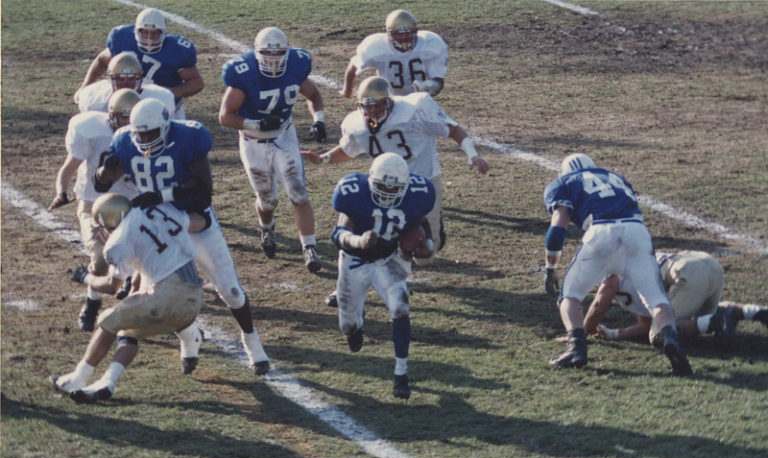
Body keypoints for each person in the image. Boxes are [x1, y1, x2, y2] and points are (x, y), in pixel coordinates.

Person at [94, 98, 271, 375]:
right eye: (141, 134)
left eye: (151, 133)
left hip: (193, 219)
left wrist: (162, 196)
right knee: (163, 293)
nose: (145, 140)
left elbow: (203, 193)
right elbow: (100, 184)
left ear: (165, 127)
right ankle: (189, 337)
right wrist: (106, 168)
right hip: (155, 226)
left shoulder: (189, 137)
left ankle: (251, 339)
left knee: (231, 290)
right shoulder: (125, 141)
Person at [303, 75, 488, 267]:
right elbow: (349, 149)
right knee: (381, 241)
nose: (372, 111)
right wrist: (324, 158)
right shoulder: (356, 124)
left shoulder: (416, 109)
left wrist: (472, 154)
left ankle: (431, 224)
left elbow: (453, 129)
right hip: (384, 185)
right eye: (367, 106)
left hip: (421, 184)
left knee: (424, 256)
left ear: (389, 101)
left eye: (377, 105)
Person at [543, 153, 692, 376]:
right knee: (656, 298)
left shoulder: (563, 182)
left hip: (601, 232)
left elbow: (557, 229)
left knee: (569, 296)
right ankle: (671, 340)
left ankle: (576, 348)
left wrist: (551, 268)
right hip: (636, 232)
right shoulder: (616, 178)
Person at [50, 193, 204, 403]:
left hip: (167, 296)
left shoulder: (117, 242)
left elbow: (111, 286)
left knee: (108, 319)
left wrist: (85, 277)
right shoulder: (154, 210)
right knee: (127, 328)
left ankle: (78, 378)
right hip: (194, 298)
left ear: (108, 222)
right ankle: (107, 382)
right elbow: (145, 260)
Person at [219, 26, 326, 273]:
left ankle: (309, 247)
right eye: (268, 53)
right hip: (252, 142)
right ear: (258, 53)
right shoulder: (244, 72)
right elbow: (225, 116)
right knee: (268, 200)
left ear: (287, 53)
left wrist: (318, 120)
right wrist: (255, 125)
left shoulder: (296, 66)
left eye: (278, 54)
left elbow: (313, 94)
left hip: (284, 137)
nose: (273, 59)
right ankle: (267, 228)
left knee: (298, 192)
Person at [330, 153, 436, 399]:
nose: (388, 193)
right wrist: (358, 241)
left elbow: (421, 221)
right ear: (371, 181)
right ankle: (356, 326)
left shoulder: (418, 193)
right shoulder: (353, 191)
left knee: (401, 308)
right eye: (382, 186)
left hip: (388, 259)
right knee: (347, 325)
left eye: (395, 188)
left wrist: (427, 246)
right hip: (354, 261)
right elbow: (338, 233)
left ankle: (401, 373)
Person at [48, 88, 142, 332]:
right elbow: (68, 168)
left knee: (145, 255)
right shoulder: (92, 130)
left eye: (132, 117)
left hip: (133, 205)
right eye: (123, 116)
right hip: (95, 204)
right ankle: (92, 303)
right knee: (101, 259)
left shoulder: (145, 133)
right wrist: (61, 192)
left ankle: (137, 295)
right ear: (111, 115)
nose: (128, 123)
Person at [579, 250, 768, 343]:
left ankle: (718, 319)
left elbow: (598, 306)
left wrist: (579, 335)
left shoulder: (609, 269)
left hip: (688, 273)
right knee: (697, 320)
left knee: (661, 335)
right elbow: (646, 325)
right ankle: (749, 311)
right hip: (707, 263)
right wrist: (613, 334)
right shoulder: (632, 259)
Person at [75, 8, 203, 119]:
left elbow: (196, 82)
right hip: (123, 98)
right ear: (136, 31)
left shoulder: (176, 50)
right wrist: (85, 85)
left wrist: (168, 94)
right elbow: (102, 60)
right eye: (145, 32)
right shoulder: (122, 39)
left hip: (160, 104)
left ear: (163, 33)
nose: (149, 38)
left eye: (154, 33)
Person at [339, 9, 448, 99]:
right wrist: (347, 90)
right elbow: (353, 67)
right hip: (388, 98)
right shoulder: (377, 46)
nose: (404, 37)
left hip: (420, 99)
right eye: (398, 34)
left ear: (415, 31)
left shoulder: (430, 44)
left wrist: (430, 86)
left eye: (407, 33)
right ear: (389, 33)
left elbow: (439, 80)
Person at [76, 51, 175, 117]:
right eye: (120, 79)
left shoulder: (160, 99)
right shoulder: (94, 100)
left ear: (141, 79)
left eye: (131, 78)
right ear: (110, 80)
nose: (126, 83)